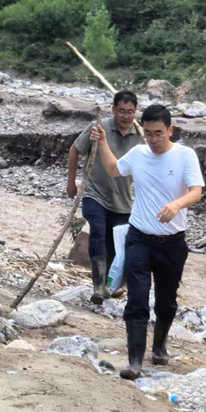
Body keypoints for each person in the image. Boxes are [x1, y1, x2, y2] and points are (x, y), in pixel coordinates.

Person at [91, 104, 204, 380]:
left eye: (158, 133)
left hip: (173, 242)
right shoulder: (138, 154)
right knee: (137, 298)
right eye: (149, 134)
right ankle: (134, 362)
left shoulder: (185, 155)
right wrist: (103, 143)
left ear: (170, 130)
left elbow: (196, 192)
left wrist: (176, 205)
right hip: (139, 238)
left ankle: (160, 345)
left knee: (166, 301)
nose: (153, 140)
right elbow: (114, 169)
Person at [68, 91, 144, 304]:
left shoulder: (141, 137)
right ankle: (98, 286)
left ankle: (109, 284)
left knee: (114, 244)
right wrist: (71, 182)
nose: (125, 116)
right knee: (98, 232)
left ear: (135, 112)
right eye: (121, 111)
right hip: (95, 192)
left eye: (130, 112)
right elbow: (75, 150)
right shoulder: (98, 128)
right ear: (113, 110)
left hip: (124, 200)